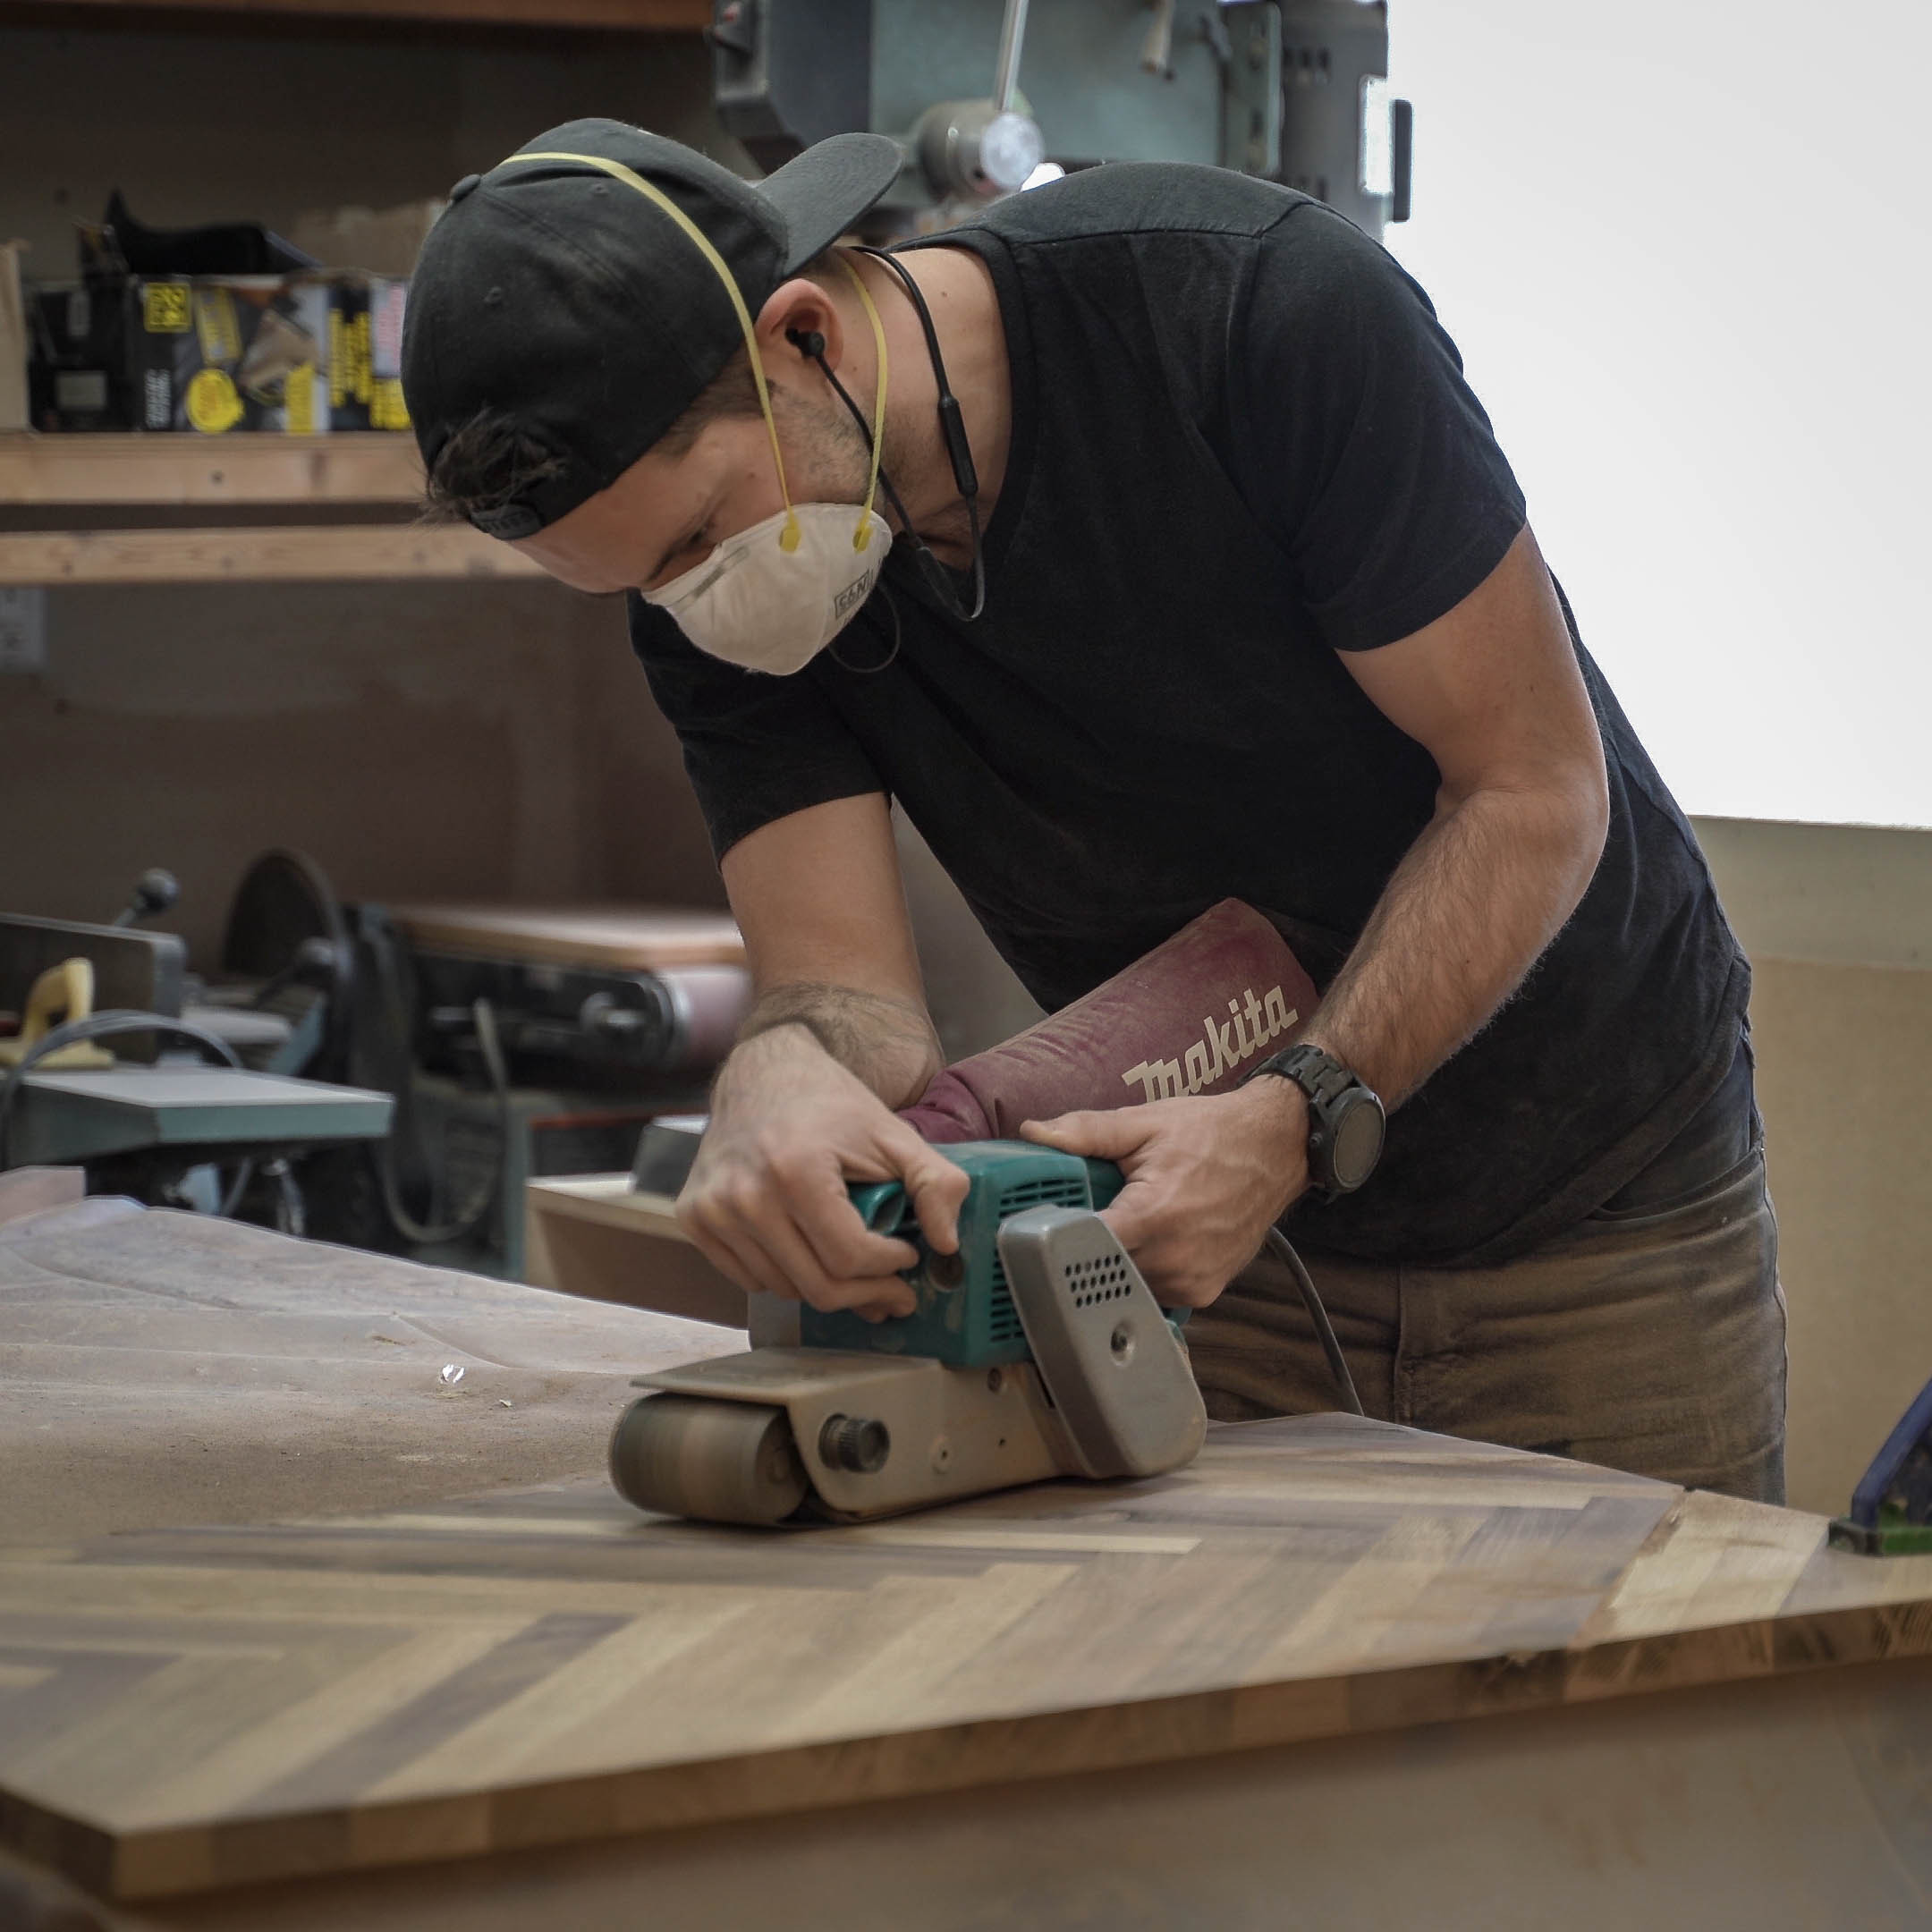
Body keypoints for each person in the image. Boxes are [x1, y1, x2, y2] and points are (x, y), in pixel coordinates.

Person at [401, 119, 1784, 1501]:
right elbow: (845, 997)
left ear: (802, 333)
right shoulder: (725, 610)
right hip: (1210, 1245)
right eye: (643, 580)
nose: (695, 596)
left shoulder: (1251, 314)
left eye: (700, 535)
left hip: (1599, 1214)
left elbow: (1532, 788)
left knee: (1649, 1687)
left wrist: (1293, 1122)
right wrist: (778, 1077)